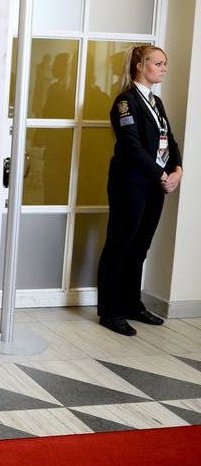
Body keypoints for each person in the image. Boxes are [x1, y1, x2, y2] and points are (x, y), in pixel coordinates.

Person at [96, 45, 182, 336]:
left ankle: (132, 303)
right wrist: (161, 174)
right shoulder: (125, 102)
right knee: (119, 245)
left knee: (140, 246)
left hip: (155, 185)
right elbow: (131, 146)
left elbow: (169, 140)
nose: (163, 68)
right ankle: (110, 311)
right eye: (158, 63)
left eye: (164, 64)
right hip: (130, 184)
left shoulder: (156, 102)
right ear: (140, 66)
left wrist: (177, 171)